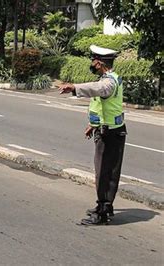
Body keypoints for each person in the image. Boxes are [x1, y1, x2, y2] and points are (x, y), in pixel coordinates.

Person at [58, 45, 127, 226]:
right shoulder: (110, 78)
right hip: (112, 129)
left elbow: (98, 89)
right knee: (109, 171)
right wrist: (92, 124)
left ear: (99, 62)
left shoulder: (108, 82)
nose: (91, 63)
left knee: (104, 173)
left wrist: (74, 87)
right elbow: (100, 105)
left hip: (109, 133)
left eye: (93, 60)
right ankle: (106, 206)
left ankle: (102, 212)